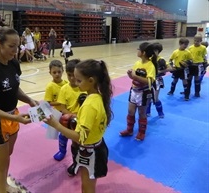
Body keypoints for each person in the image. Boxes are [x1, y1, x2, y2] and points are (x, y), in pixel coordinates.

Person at [0, 27, 38, 193]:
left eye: (17, 46)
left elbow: (14, 88)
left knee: (7, 155)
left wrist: (29, 100)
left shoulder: (14, 63)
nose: (15, 51)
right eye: (11, 46)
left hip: (13, 116)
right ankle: (2, 189)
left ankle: (5, 185)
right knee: (1, 162)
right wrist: (16, 119)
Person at [44, 59, 112, 193]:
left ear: (91, 81)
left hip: (90, 151)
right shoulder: (98, 96)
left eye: (79, 81)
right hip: (96, 145)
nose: (75, 83)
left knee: (87, 188)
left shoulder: (89, 105)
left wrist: (55, 125)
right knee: (88, 184)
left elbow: (80, 137)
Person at [54, 59, 87, 177]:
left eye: (74, 75)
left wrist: (80, 117)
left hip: (82, 120)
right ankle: (63, 152)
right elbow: (62, 108)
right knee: (62, 137)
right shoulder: (64, 89)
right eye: (69, 75)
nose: (72, 78)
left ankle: (76, 162)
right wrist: (72, 116)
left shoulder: (84, 88)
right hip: (68, 119)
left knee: (78, 143)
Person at [120, 42, 157, 141]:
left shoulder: (150, 66)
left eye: (138, 49)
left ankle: (141, 132)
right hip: (134, 90)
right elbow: (134, 78)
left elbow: (149, 81)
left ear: (143, 52)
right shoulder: (137, 63)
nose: (137, 51)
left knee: (141, 113)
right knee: (130, 111)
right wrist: (130, 75)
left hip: (144, 93)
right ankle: (129, 130)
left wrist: (135, 76)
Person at [146, 42, 171, 118]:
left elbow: (170, 68)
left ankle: (160, 112)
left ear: (157, 51)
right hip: (149, 80)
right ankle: (147, 112)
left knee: (155, 98)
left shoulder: (161, 60)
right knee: (148, 97)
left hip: (157, 80)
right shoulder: (148, 59)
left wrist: (160, 71)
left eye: (153, 50)